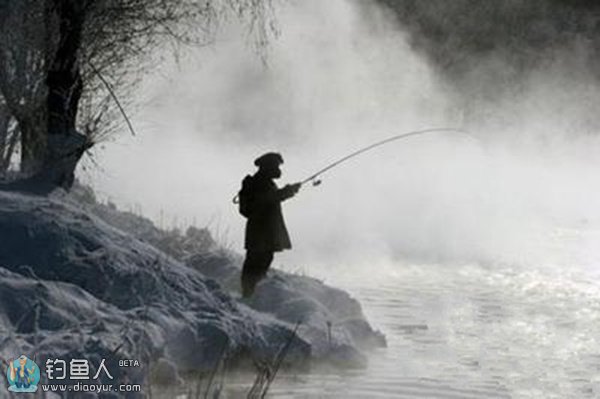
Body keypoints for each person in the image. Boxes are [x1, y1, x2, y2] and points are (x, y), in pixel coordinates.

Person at [238, 152, 301, 297]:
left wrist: (287, 191)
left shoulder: (263, 181)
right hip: (261, 233)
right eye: (277, 166)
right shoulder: (260, 182)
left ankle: (250, 293)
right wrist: (287, 191)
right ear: (268, 166)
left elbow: (270, 198)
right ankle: (248, 294)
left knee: (260, 262)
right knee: (256, 263)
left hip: (263, 232)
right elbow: (267, 200)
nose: (279, 170)